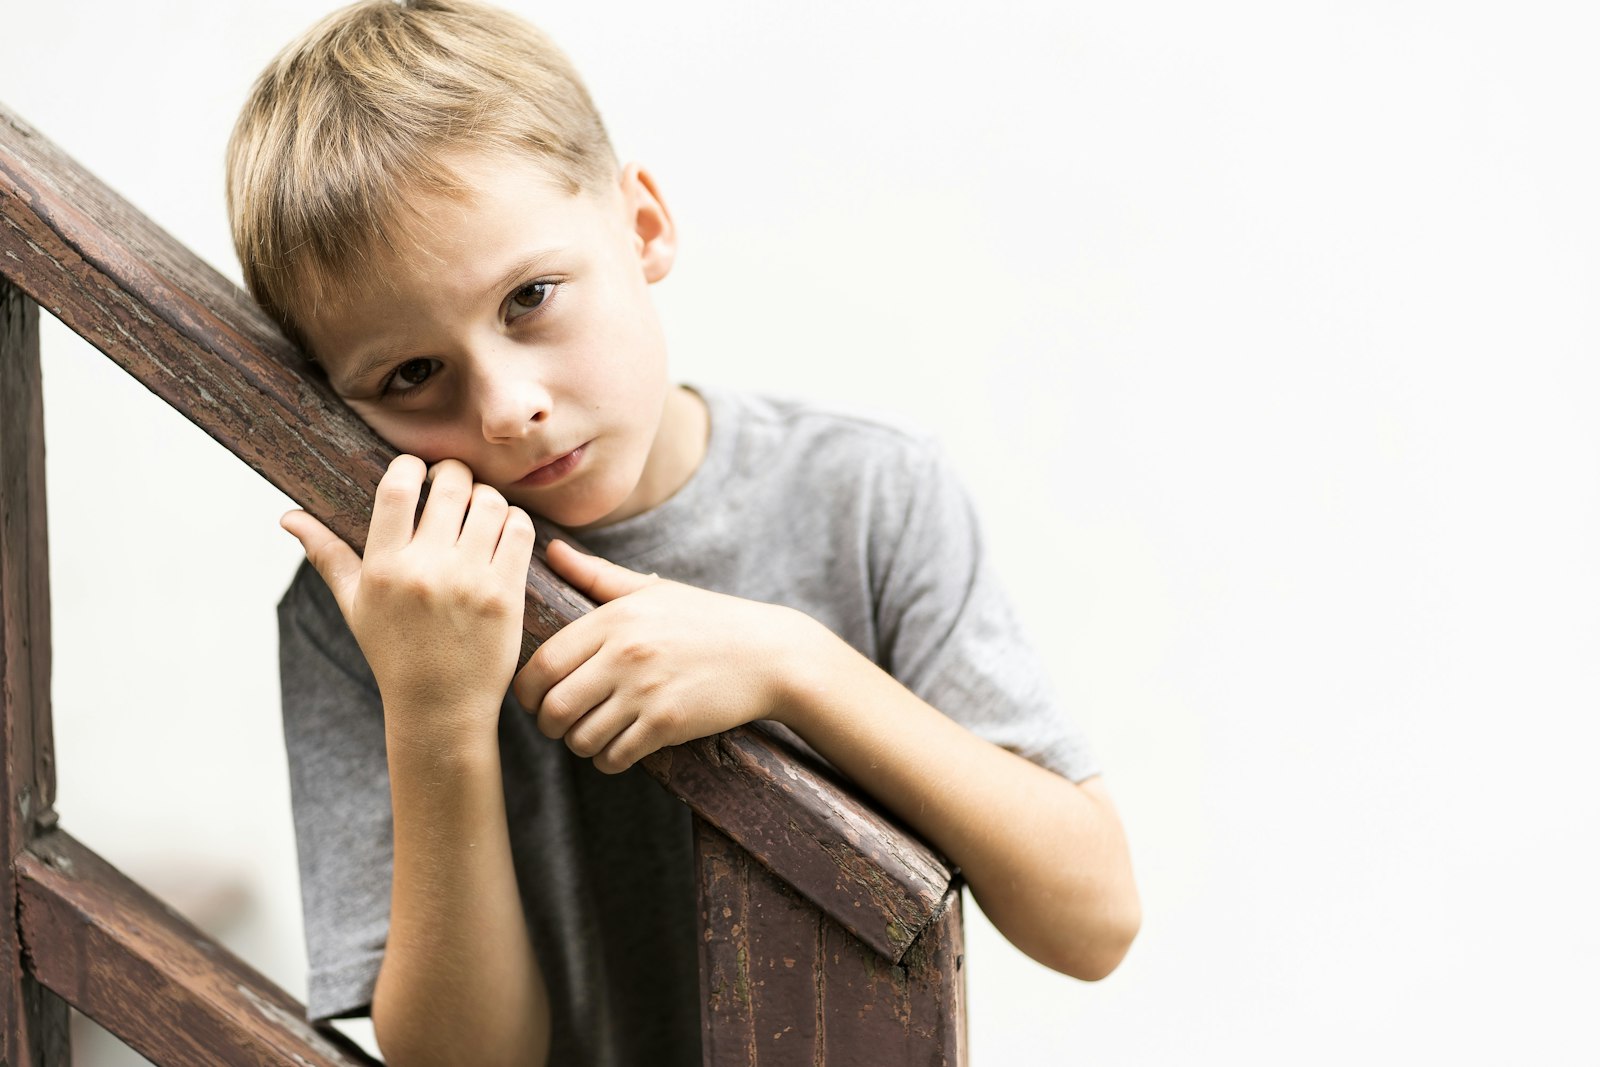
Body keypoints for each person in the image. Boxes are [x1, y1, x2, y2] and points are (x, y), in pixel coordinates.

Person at [228, 1, 1141, 1063]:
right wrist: (436, 712)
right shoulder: (371, 613)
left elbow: (1092, 919)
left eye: (529, 296)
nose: (507, 406)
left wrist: (796, 664)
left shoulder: (867, 493)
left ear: (643, 227)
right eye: (411, 374)